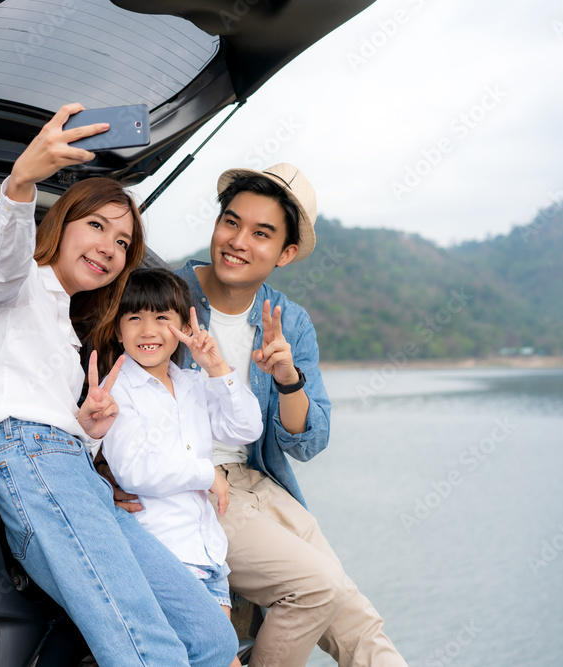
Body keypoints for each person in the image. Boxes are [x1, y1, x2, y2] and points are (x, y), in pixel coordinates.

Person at [0, 103, 238, 667]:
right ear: (60, 223)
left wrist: (86, 431)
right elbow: (6, 255)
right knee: (144, 647)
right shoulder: (15, 289)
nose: (109, 247)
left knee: (213, 637)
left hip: (70, 469)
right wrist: (21, 181)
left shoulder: (66, 326)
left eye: (122, 242)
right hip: (30, 462)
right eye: (97, 226)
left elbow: (58, 425)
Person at [108, 163, 407, 667]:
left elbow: (308, 441)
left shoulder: (287, 319)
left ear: (286, 253)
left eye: (261, 233)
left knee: (358, 620)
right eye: (231, 222)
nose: (238, 241)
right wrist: (102, 471)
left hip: (264, 481)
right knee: (317, 587)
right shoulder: (164, 297)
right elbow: (105, 389)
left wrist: (287, 376)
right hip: (202, 490)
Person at [102, 267, 264, 667]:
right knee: (220, 657)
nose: (148, 330)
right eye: (134, 318)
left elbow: (246, 427)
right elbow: (135, 471)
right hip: (165, 553)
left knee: (219, 659)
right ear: (118, 330)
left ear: (182, 326)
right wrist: (208, 474)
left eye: (162, 318)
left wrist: (216, 366)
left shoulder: (192, 383)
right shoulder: (117, 388)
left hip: (207, 554)